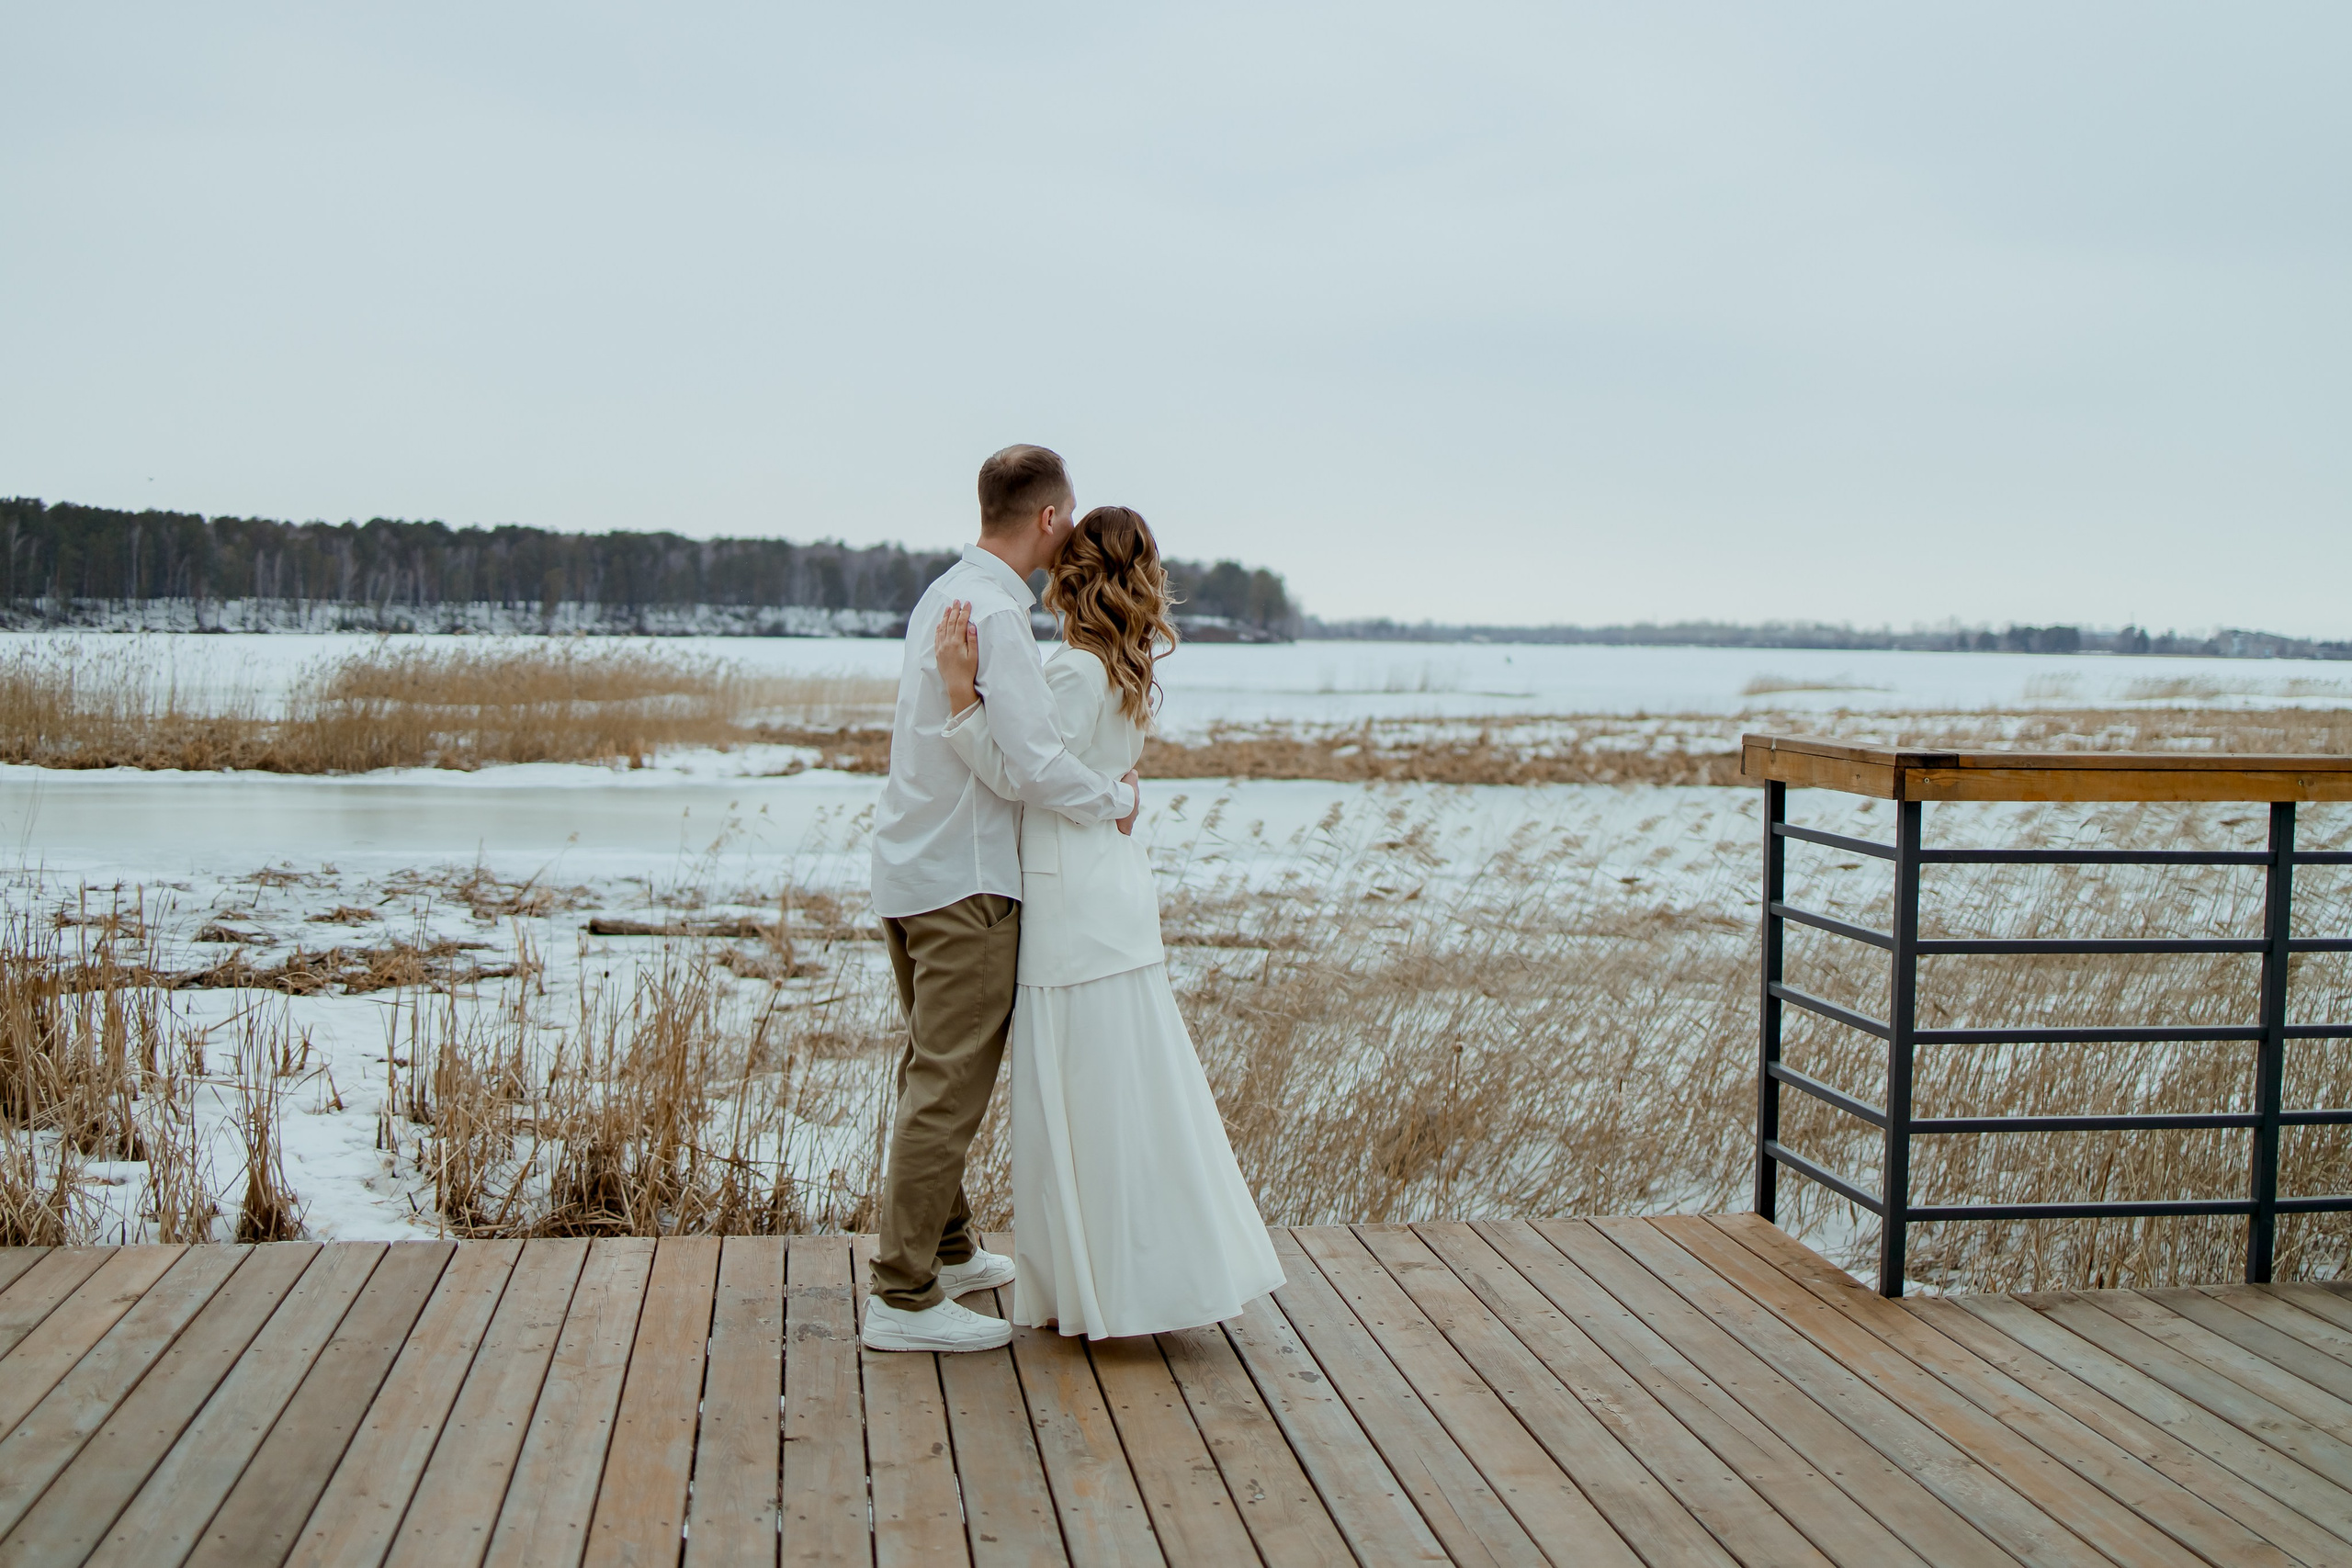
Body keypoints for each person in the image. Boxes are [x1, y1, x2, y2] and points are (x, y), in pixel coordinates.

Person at [934, 504, 1284, 1339]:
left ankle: (1108, 1291)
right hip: (1117, 899)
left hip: (1073, 908)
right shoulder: (1123, 668)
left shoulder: (1076, 671)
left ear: (1075, 576)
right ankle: (1143, 1280)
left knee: (1081, 1098)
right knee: (1129, 1094)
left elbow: (1031, 777)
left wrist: (960, 705)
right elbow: (1087, 777)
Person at [861, 445, 1141, 1354]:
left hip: (910, 868)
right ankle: (901, 1298)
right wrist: (1116, 799)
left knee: (928, 1071)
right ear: (1051, 518)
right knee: (948, 1087)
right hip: (966, 881)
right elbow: (1031, 765)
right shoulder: (998, 616)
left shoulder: (946, 593)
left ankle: (943, 1252)